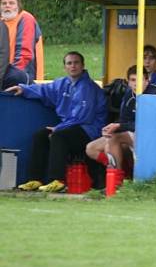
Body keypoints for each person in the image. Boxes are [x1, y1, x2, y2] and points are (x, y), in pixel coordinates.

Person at [5, 51, 106, 193]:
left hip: (90, 131)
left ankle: (57, 180)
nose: (73, 66)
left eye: (76, 63)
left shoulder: (88, 87)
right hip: (70, 127)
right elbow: (44, 90)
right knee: (40, 135)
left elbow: (82, 117)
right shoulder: (62, 83)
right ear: (65, 67)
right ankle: (35, 179)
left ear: (83, 65)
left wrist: (58, 128)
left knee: (59, 136)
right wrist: (23, 89)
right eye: (69, 63)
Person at [1, 0, 44, 88]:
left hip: (22, 77)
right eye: (4, 3)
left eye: (11, 3)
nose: (7, 5)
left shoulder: (25, 18)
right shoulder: (2, 22)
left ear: (18, 6)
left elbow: (24, 53)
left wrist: (13, 76)